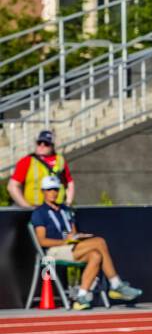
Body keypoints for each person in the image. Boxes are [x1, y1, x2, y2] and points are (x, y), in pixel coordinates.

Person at [31, 175, 142, 309]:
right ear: (43, 191)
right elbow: (42, 241)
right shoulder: (40, 213)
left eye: (55, 189)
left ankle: (81, 298)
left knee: (96, 255)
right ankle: (116, 284)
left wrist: (76, 237)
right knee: (99, 242)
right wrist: (64, 242)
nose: (53, 192)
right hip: (54, 251)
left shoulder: (65, 210)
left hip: (71, 247)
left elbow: (70, 232)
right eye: (49, 189)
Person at [8, 129, 74, 209]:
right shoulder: (27, 161)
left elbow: (69, 183)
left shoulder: (60, 160)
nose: (42, 145)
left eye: (46, 143)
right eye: (39, 143)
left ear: (52, 146)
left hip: (57, 209)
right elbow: (12, 186)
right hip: (35, 208)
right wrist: (26, 207)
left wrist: (68, 204)